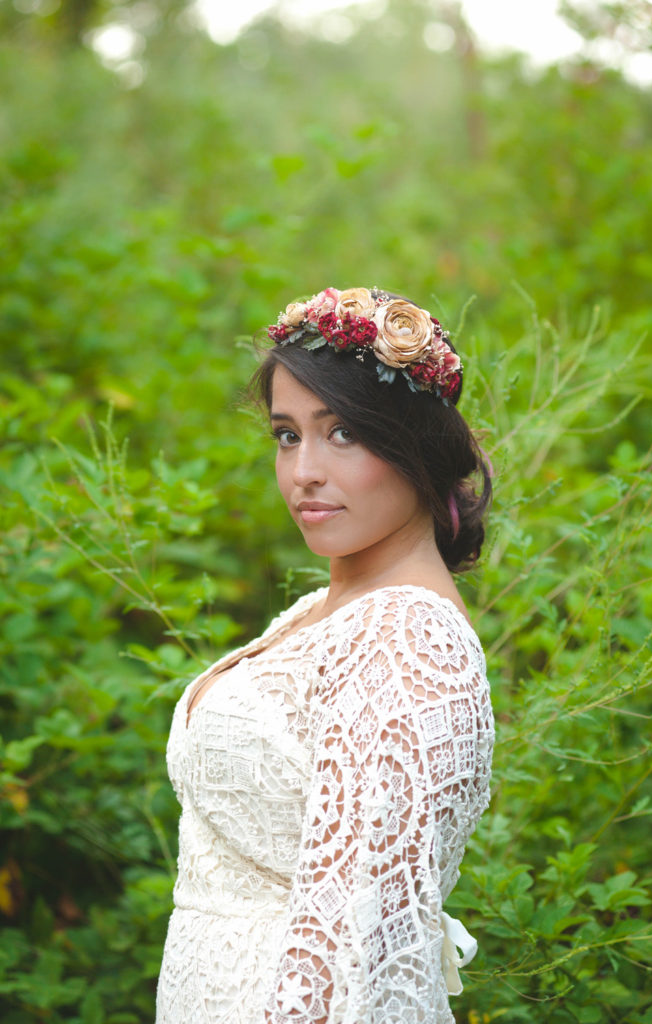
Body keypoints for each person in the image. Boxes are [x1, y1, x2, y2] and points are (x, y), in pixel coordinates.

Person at [156, 286, 495, 1024]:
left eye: (342, 433)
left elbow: (360, 948)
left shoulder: (409, 642)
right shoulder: (324, 611)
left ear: (417, 444)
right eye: (287, 434)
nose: (304, 470)